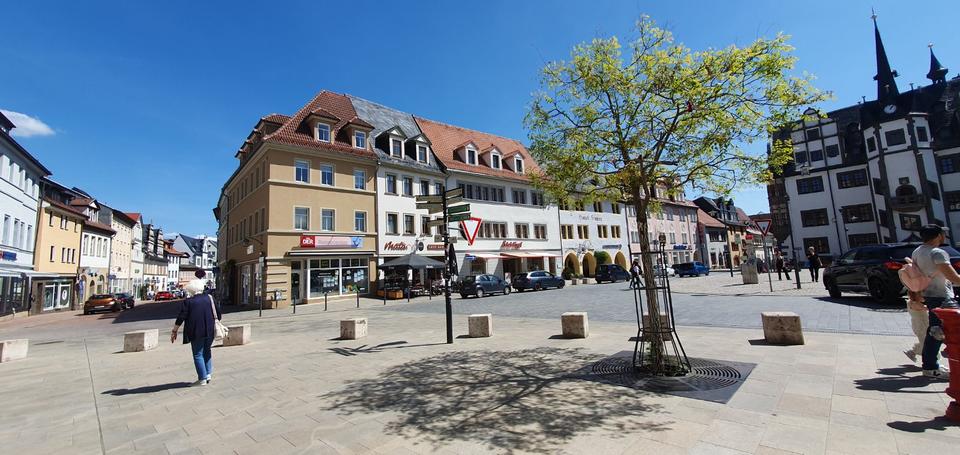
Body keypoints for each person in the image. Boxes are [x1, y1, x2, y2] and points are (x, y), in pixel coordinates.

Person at [910, 224, 960, 379]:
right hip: (942, 295)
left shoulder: (917, 251)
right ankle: (931, 366)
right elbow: (952, 276)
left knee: (934, 330)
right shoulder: (937, 252)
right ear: (939, 236)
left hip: (929, 294)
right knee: (937, 332)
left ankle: (931, 364)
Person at [170, 278, 222, 386]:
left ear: (191, 290)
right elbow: (218, 313)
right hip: (210, 329)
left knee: (198, 354)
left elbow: (181, 317)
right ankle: (208, 374)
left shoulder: (189, 302)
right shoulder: (210, 298)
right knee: (207, 351)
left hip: (196, 331)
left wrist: (175, 330)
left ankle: (202, 378)